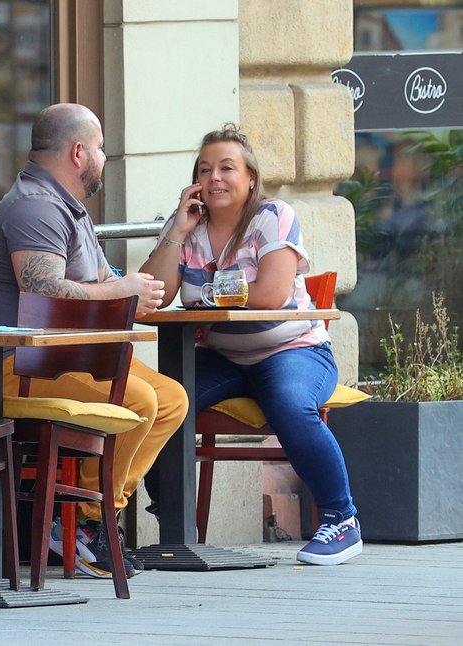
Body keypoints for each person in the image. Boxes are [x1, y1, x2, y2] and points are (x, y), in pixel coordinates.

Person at [0, 103, 189, 579]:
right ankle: (86, 523)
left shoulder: (70, 209)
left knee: (171, 398)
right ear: (78, 152)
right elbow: (41, 289)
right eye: (102, 148)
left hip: (68, 360)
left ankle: (91, 514)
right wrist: (119, 291)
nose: (105, 157)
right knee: (139, 401)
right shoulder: (35, 206)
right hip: (15, 366)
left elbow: (110, 283)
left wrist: (155, 263)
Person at [140, 123, 362, 566]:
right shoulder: (190, 228)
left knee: (289, 402)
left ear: (250, 178)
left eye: (227, 168)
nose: (215, 178)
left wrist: (202, 301)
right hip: (223, 356)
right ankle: (175, 525)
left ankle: (342, 519)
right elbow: (158, 294)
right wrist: (177, 232)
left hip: (294, 349)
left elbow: (271, 295)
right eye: (205, 170)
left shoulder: (272, 216)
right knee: (161, 402)